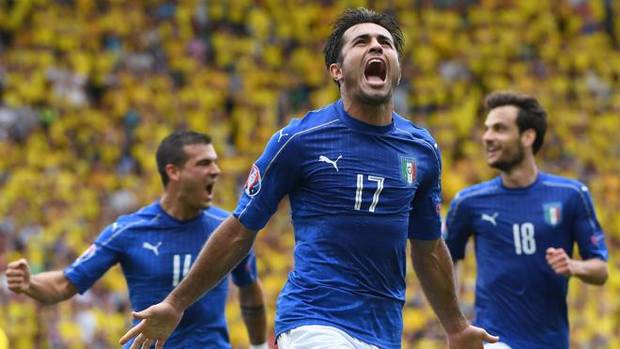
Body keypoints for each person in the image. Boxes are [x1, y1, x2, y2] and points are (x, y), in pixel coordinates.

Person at [120, 8, 498, 349]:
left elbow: (429, 248)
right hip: (313, 322)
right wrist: (175, 303)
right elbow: (239, 230)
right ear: (337, 70)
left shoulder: (422, 149)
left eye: (385, 43)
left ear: (396, 68)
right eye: (361, 42)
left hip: (384, 331)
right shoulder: (299, 140)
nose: (376, 48)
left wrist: (455, 326)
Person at [6, 130, 268, 349]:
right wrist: (30, 283)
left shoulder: (230, 229)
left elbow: (248, 287)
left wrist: (259, 346)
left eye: (215, 161)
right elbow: (65, 284)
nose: (216, 171)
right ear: (173, 172)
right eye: (203, 163)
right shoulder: (129, 230)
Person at [444, 91, 609, 349]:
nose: (487, 137)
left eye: (499, 129)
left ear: (528, 136)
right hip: (496, 341)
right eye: (487, 129)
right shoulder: (469, 202)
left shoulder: (571, 195)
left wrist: (574, 266)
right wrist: (455, 323)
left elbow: (600, 269)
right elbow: (446, 258)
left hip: (552, 342)